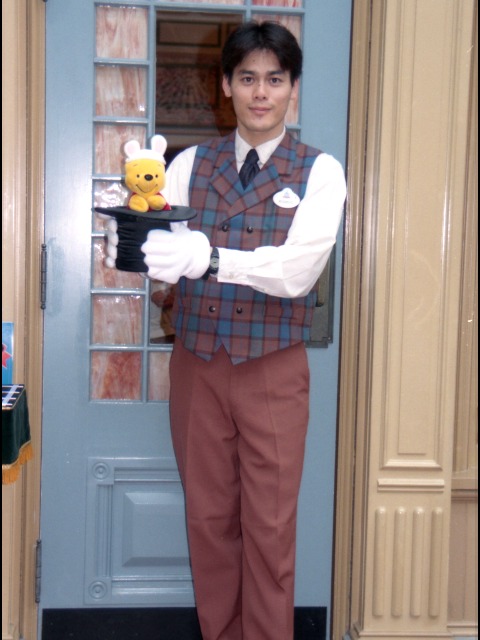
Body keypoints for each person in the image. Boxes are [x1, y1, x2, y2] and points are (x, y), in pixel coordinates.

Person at [108, 20, 346, 640]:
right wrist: (132, 244)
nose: (260, 93)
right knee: (209, 520)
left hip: (273, 368)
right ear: (226, 86)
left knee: (270, 526)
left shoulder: (321, 172)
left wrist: (209, 259)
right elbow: (161, 251)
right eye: (247, 79)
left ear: (292, 87)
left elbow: (296, 272)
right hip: (198, 363)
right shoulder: (188, 164)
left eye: (274, 79)